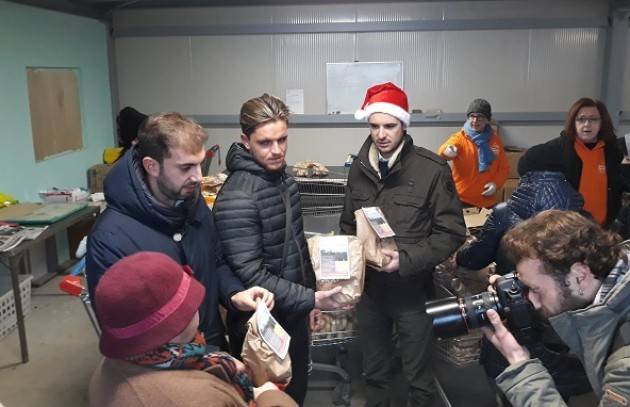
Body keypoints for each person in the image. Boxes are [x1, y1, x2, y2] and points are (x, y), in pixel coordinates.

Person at [86, 112, 273, 348]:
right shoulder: (110, 238)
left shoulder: (193, 205)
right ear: (151, 166)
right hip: (162, 371)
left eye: (199, 164)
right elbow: (122, 330)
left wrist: (234, 294)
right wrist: (190, 362)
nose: (198, 177)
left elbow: (215, 261)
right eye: (186, 167)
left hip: (210, 346)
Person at [341, 82, 467, 406]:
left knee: (419, 379)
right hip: (370, 293)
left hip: (412, 292)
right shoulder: (359, 168)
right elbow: (346, 223)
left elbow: (451, 231)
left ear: (404, 125)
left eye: (389, 126)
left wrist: (407, 259)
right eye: (374, 126)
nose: (381, 134)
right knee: (374, 371)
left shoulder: (431, 170)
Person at [212, 94, 343, 405]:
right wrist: (309, 297)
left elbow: (297, 245)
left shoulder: (282, 180)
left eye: (282, 139)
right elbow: (251, 274)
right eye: (265, 142)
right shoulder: (237, 197)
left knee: (296, 392)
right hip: (261, 324)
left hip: (291, 312)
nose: (277, 150)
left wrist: (307, 301)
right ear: (245, 141)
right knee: (271, 400)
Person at [89, 251, 297, 407]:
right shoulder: (199, 398)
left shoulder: (114, 366)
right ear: (178, 322)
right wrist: (269, 396)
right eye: (191, 303)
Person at [455, 170, 591, 403]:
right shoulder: (583, 218)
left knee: (514, 379)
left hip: (511, 314)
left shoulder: (505, 213)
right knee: (557, 386)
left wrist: (461, 254)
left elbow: (473, 259)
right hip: (565, 326)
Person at [482, 209, 630, 406]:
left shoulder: (624, 366)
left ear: (580, 275)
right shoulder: (610, 276)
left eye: (537, 290)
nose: (533, 302)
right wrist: (518, 294)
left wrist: (521, 367)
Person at [518, 97, 625, 227]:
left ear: (602, 122)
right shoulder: (560, 148)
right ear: (573, 122)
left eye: (593, 119)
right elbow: (525, 165)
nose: (587, 124)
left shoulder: (612, 151)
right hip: (569, 230)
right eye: (581, 119)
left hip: (603, 227)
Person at [438, 98, 509, 208]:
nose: (475, 121)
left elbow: (504, 168)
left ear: (487, 119)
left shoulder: (495, 141)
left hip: (486, 201)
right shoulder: (460, 137)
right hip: (461, 200)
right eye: (472, 116)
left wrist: (496, 184)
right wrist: (447, 150)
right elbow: (442, 151)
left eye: (480, 117)